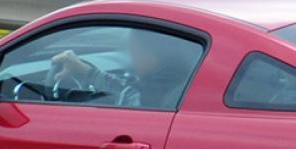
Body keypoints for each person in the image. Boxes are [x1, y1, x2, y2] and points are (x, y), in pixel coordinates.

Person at [50, 29, 192, 109]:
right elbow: (125, 89)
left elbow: (130, 93)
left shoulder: (140, 96)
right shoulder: (181, 80)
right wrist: (86, 71)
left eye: (132, 52)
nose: (131, 60)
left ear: (148, 54)